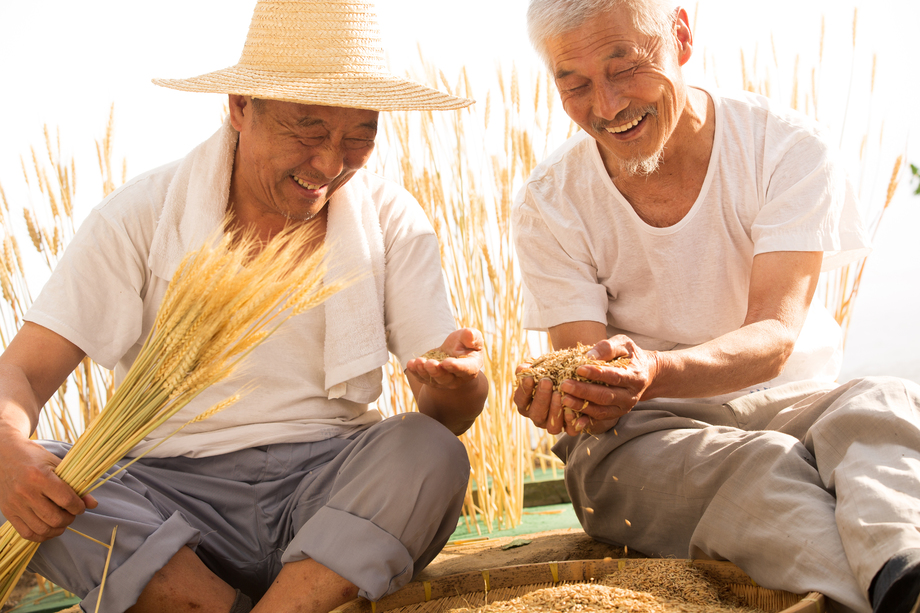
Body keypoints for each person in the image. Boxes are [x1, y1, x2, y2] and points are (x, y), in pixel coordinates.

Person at [0, 2, 489, 612]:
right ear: (238, 105)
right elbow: (20, 371)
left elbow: (446, 415)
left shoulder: (390, 218)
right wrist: (7, 450)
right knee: (28, 481)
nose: (331, 165)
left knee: (428, 451)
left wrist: (460, 383)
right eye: (308, 131)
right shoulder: (138, 216)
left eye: (359, 136)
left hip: (328, 492)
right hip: (167, 499)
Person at [511, 1, 920, 612]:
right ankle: (887, 592)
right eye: (575, 85)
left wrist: (656, 369)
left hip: (791, 400)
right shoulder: (549, 201)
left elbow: (777, 335)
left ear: (680, 34)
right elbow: (585, 372)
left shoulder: (784, 147)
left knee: (884, 402)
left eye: (624, 68)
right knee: (761, 467)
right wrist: (578, 394)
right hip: (641, 434)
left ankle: (902, 565)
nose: (607, 107)